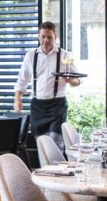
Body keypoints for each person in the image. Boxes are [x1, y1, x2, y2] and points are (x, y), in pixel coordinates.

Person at [14, 21, 81, 151]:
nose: (45, 40)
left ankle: (56, 170)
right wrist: (18, 99)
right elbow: (22, 80)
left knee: (56, 145)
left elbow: (77, 80)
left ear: (55, 38)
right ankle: (45, 171)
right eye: (43, 37)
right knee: (41, 145)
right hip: (37, 106)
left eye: (49, 37)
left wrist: (70, 81)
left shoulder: (64, 55)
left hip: (57, 106)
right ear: (39, 36)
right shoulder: (31, 55)